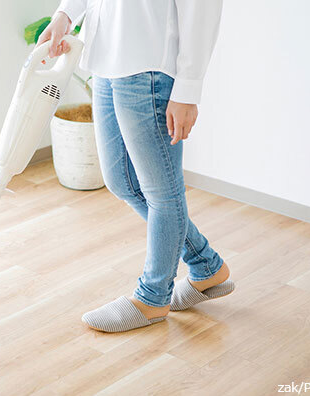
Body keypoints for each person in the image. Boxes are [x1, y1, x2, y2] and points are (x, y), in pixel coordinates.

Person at [37, 0, 235, 332]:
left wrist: (187, 90)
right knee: (121, 181)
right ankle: (206, 267)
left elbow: (202, 8)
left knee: (162, 191)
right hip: (105, 57)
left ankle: (152, 299)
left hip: (150, 66)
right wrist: (65, 14)